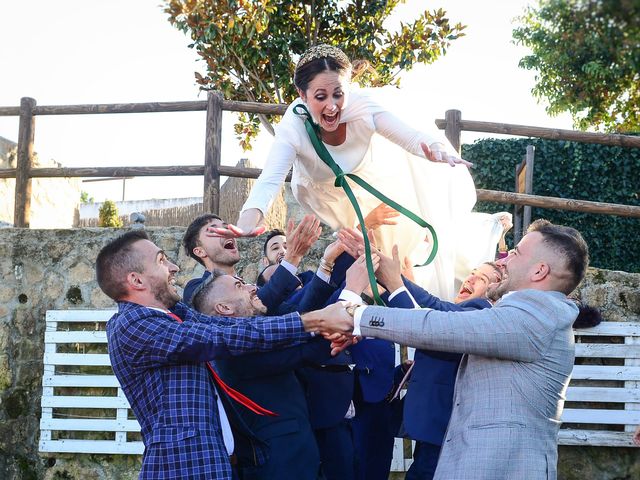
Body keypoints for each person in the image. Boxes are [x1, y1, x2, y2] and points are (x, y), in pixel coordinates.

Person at [212, 43, 500, 300]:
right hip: (325, 193)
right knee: (360, 252)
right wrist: (247, 221)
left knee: (397, 251)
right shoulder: (293, 125)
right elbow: (268, 181)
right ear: (302, 94)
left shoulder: (362, 107)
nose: (331, 106)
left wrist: (437, 149)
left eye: (338, 94)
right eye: (320, 96)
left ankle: (416, 317)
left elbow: (410, 136)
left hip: (374, 180)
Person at [308, 221, 590, 479]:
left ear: (539, 270)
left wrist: (355, 315)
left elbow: (438, 327)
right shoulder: (529, 314)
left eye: (516, 252)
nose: (506, 259)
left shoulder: (536, 317)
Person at [97, 230, 341, 480]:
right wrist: (312, 322)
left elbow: (228, 327)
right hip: (182, 469)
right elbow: (220, 338)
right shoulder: (131, 324)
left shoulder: (176, 313)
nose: (174, 267)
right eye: (161, 260)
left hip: (215, 464)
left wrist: (316, 324)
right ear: (137, 281)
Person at [191, 271, 332, 480]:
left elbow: (303, 317)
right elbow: (306, 351)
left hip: (301, 456)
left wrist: (328, 267)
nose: (253, 287)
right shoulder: (235, 353)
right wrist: (352, 295)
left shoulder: (252, 339)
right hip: (278, 467)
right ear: (224, 308)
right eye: (240, 286)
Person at [182, 213, 320, 308]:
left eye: (226, 227)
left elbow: (298, 310)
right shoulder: (195, 290)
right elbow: (250, 309)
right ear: (199, 251)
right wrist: (292, 257)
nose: (225, 232)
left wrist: (329, 262)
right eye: (214, 231)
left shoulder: (252, 287)